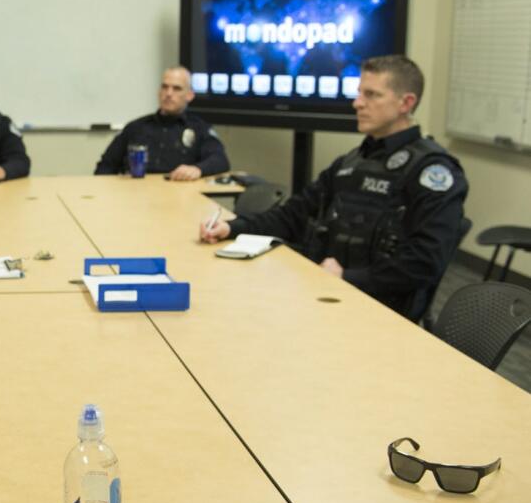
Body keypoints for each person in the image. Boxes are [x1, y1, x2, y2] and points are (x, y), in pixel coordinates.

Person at [200, 55, 467, 322]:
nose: (357, 103)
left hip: (381, 314)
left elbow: (425, 261)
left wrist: (348, 277)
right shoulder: (351, 162)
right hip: (326, 295)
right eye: (359, 93)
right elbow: (293, 215)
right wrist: (233, 227)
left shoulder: (432, 171)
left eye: (371, 95)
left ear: (405, 103)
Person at [95, 66, 229, 179]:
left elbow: (220, 161)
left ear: (190, 95)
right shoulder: (136, 127)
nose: (169, 93)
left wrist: (198, 169)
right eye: (164, 87)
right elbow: (105, 167)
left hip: (181, 199)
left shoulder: (199, 128)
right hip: (136, 198)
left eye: (177, 88)